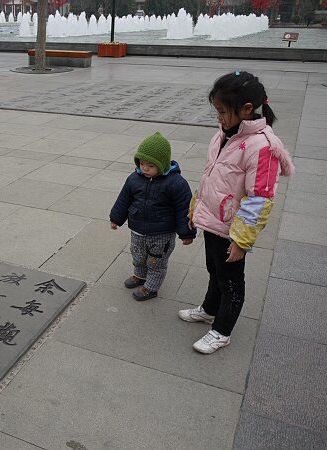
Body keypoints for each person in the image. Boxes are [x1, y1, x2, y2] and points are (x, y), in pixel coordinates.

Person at [181, 71, 294, 354]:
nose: (218, 117)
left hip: (233, 228)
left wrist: (241, 241)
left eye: (222, 111)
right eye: (216, 111)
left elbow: (260, 200)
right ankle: (209, 309)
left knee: (231, 282)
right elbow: (211, 177)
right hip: (214, 220)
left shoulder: (262, 147)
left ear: (246, 109)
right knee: (214, 269)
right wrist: (197, 206)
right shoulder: (224, 135)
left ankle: (221, 331)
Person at [110, 132, 196, 301]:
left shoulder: (176, 183)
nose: (145, 168)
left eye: (150, 165)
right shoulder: (134, 179)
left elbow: (183, 208)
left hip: (161, 233)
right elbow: (123, 199)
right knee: (138, 255)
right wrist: (116, 218)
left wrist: (186, 233)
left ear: (162, 164)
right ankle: (140, 276)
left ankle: (151, 287)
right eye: (141, 163)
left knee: (156, 261)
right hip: (138, 229)